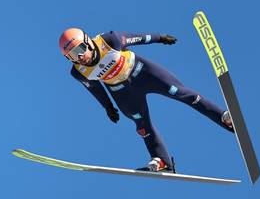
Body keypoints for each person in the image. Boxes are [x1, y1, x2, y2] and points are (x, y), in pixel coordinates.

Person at [58, 28, 234, 173]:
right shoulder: (78, 71)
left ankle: (224, 118)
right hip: (122, 91)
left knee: (182, 93)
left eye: (79, 50)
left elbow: (138, 38)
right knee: (141, 125)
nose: (79, 58)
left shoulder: (109, 40)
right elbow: (95, 89)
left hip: (143, 72)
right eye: (72, 56)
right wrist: (108, 107)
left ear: (88, 41)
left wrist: (159, 38)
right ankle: (162, 161)